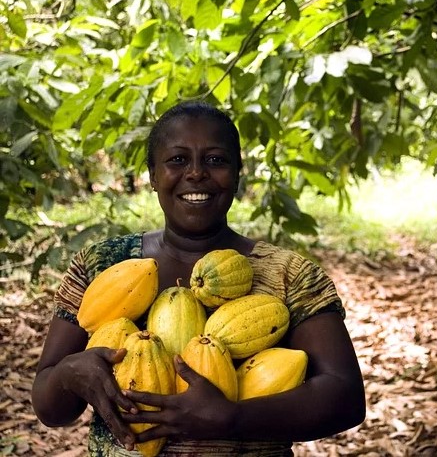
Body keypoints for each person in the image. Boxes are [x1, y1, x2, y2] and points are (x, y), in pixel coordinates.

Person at [31, 101, 366, 456]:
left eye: (215, 160)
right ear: (152, 175)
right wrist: (69, 374)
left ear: (238, 173)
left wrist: (233, 418)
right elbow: (50, 408)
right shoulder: (101, 264)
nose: (195, 173)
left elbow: (345, 398)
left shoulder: (289, 275)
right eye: (177, 160)